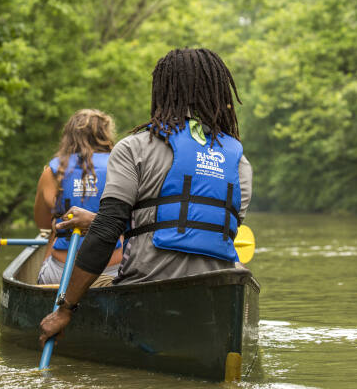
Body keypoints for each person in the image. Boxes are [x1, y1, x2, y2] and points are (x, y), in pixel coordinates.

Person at [39, 48, 252, 345]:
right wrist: (101, 221)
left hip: (145, 288)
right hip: (214, 297)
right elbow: (195, 223)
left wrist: (65, 309)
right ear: (218, 93)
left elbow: (106, 233)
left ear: (162, 91)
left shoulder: (134, 148)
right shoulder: (239, 161)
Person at [33, 109, 122, 287]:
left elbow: (42, 224)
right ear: (106, 134)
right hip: (111, 271)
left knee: (54, 227)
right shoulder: (120, 166)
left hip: (60, 273)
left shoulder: (52, 172)